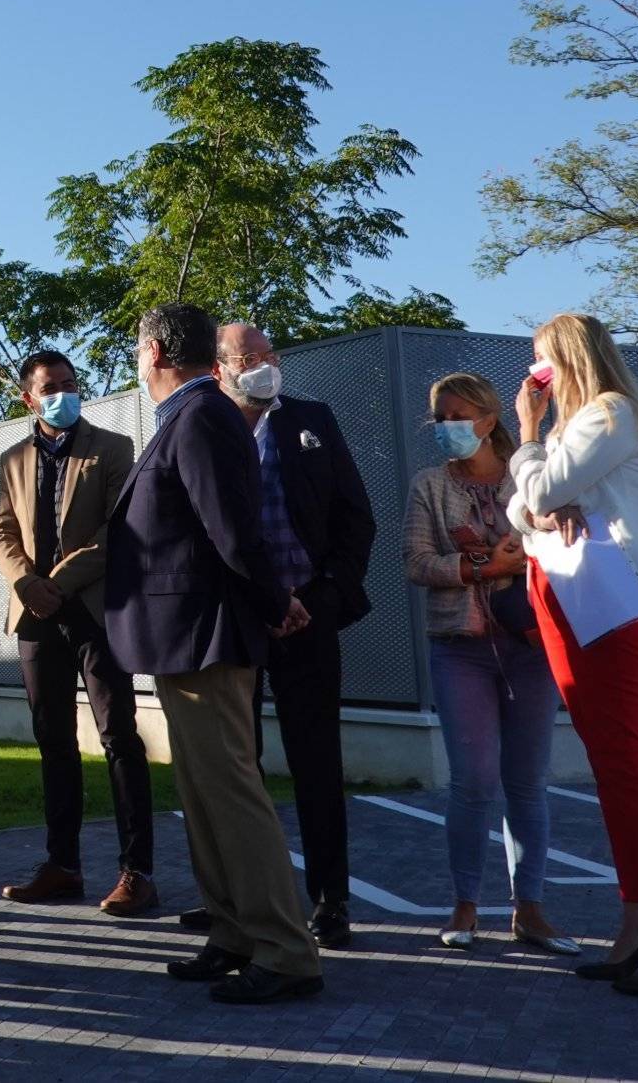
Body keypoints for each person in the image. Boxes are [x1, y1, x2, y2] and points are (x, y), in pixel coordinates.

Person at [104, 302, 324, 1006]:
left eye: (139, 349)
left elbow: (230, 530)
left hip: (208, 635)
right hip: (184, 640)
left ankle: (286, 949)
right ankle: (233, 932)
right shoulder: (189, 417)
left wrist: (272, 599)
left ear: (158, 352)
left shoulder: (200, 416)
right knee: (202, 796)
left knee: (230, 794)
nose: (137, 361)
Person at [509, 314, 638, 999]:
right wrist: (536, 505)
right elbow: (525, 507)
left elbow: (538, 489)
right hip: (572, 594)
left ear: (567, 360)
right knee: (613, 769)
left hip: (606, 596)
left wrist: (525, 433)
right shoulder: (585, 424)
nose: (535, 383)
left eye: (541, 367)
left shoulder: (610, 413)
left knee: (628, 768)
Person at [210, 322, 376, 951]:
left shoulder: (312, 420)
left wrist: (319, 597)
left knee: (315, 760)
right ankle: (239, 901)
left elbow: (354, 518)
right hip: (237, 619)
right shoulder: (207, 429)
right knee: (235, 763)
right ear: (219, 368)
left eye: (267, 354)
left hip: (309, 614)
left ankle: (331, 902)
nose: (261, 365)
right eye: (247, 357)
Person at [403, 371, 575, 956]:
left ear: (489, 416)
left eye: (459, 416)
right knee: (472, 781)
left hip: (530, 648)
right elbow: (417, 561)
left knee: (527, 784)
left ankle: (530, 908)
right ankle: (466, 905)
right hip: (461, 649)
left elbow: (561, 540)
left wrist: (518, 557)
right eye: (440, 419)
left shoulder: (528, 471)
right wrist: (483, 569)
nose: (449, 427)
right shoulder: (429, 484)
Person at [0, 350, 156, 916]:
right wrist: (27, 585)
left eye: (70, 383)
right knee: (53, 742)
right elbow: (3, 529)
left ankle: (137, 871)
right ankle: (62, 866)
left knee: (119, 738)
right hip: (35, 616)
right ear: (27, 397)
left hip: (93, 611)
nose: (63, 393)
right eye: (50, 386)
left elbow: (120, 528)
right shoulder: (13, 458)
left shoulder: (112, 448)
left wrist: (54, 581)